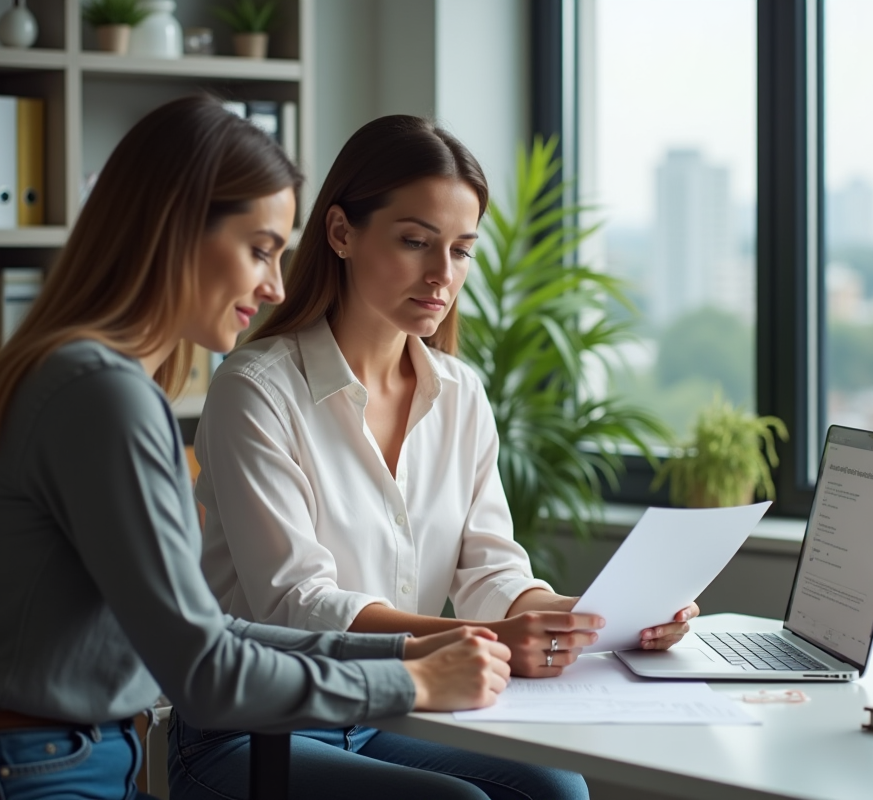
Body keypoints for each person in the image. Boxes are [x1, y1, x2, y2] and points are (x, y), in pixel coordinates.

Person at [0, 97, 514, 800]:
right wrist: (411, 677)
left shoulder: (94, 380)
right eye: (258, 249)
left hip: (56, 761)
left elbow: (208, 627)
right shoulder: (101, 393)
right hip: (24, 773)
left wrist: (404, 647)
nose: (274, 285)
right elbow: (206, 671)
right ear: (177, 231)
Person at [179, 115, 700, 800]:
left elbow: (493, 568)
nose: (441, 275)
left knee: (557, 790)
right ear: (340, 233)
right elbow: (297, 605)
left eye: (460, 251)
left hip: (392, 710)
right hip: (260, 728)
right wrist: (489, 635)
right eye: (415, 242)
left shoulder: (459, 393)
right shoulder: (256, 390)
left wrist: (593, 618)